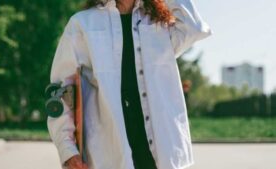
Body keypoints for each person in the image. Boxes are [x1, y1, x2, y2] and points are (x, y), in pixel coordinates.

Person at [47, 0, 212, 169]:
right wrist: (67, 149)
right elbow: (61, 90)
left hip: (160, 155)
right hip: (110, 154)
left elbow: (195, 29)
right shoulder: (83, 24)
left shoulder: (159, 23)